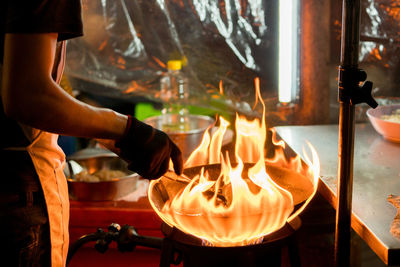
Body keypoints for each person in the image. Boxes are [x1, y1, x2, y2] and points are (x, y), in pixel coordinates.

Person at [0, 1, 183, 266]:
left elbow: (40, 80)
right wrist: (128, 130)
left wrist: (116, 138)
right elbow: (28, 95)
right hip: (12, 196)